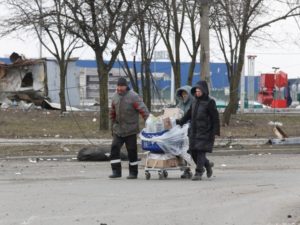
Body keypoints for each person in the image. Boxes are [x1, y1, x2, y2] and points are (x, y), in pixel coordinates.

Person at [177, 80, 220, 181]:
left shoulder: (210, 102)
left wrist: (215, 131)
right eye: (196, 91)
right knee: (193, 151)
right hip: (194, 131)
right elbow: (189, 114)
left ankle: (199, 172)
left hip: (205, 131)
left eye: (199, 91)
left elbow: (215, 117)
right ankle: (207, 165)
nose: (197, 93)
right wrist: (181, 121)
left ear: (204, 91)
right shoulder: (195, 101)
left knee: (200, 151)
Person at [109, 77, 149, 179]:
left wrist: (149, 122)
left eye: (121, 87)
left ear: (125, 86)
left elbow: (143, 110)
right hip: (118, 129)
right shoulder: (114, 97)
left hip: (131, 129)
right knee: (114, 148)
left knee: (132, 150)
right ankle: (116, 171)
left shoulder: (133, 97)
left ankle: (133, 173)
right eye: (118, 87)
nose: (119, 89)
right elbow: (112, 113)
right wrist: (112, 127)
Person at [176, 85, 194, 179]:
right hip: (179, 130)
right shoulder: (180, 104)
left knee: (186, 150)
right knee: (179, 150)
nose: (184, 96)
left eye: (186, 93)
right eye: (182, 94)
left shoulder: (194, 104)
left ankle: (187, 170)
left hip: (190, 130)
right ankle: (185, 169)